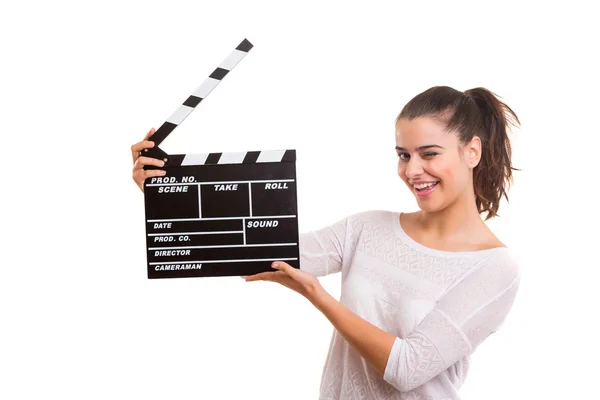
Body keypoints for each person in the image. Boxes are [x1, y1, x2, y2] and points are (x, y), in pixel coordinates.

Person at [131, 85, 521, 399]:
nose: (412, 170)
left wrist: (318, 297)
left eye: (429, 154)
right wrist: (166, 192)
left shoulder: (494, 268)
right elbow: (257, 252)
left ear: (472, 151)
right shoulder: (367, 228)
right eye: (403, 155)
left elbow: (408, 369)